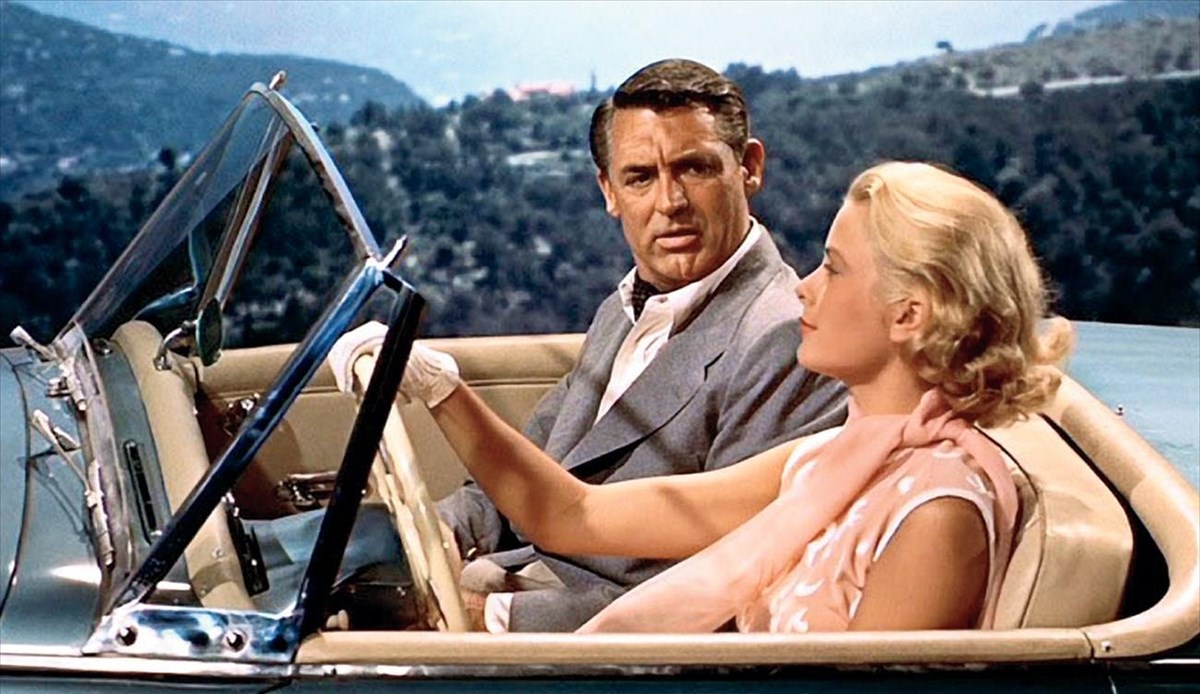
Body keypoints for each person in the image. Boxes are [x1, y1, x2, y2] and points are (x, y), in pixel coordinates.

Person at [396, 160, 1074, 633]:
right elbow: (573, 515)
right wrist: (440, 388)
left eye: (833, 268)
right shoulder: (832, 459)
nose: (804, 287)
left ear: (908, 314)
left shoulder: (937, 514)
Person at [426, 58, 847, 631]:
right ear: (609, 191)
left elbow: (725, 589)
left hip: (597, 647)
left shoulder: (786, 339)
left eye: (694, 168)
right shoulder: (625, 307)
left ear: (749, 168)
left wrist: (490, 618)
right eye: (641, 177)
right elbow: (523, 476)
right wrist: (436, 534)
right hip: (517, 588)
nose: (670, 202)